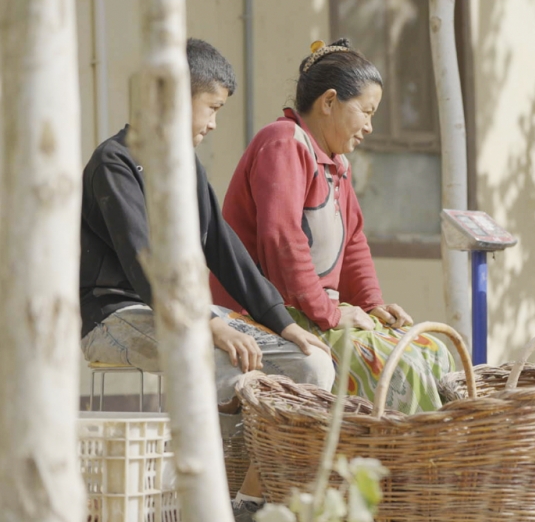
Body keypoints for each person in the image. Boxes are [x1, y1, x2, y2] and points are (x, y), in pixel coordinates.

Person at [79, 38, 335, 520]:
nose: (214, 123)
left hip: (189, 316)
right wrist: (209, 324)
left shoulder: (186, 169)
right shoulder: (113, 163)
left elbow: (224, 246)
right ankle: (201, 502)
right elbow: (144, 263)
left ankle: (249, 500)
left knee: (313, 366)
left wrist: (284, 324)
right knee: (233, 372)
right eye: (211, 107)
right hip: (117, 317)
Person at [210, 38, 453, 415]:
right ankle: (398, 465)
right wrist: (334, 314)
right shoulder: (283, 143)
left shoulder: (336, 163)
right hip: (266, 315)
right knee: (399, 366)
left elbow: (354, 241)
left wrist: (373, 306)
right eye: (366, 112)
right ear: (329, 102)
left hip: (315, 312)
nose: (370, 127)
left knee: (431, 351)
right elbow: (283, 239)